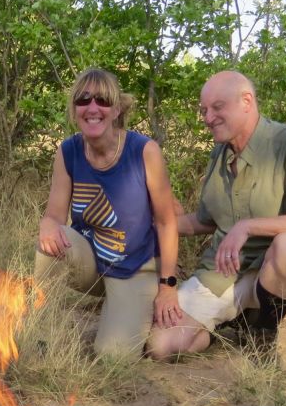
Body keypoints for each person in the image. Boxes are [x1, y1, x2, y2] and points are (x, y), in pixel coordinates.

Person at [146, 71, 286, 358]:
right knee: (161, 346)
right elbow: (206, 221)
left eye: (217, 107)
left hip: (279, 273)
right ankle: (227, 323)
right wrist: (155, 224)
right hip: (225, 272)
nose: (208, 118)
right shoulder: (219, 153)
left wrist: (247, 227)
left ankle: (263, 331)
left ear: (246, 101)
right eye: (204, 110)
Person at [34, 67, 180, 359]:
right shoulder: (68, 151)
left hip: (135, 268)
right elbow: (54, 216)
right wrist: (47, 225)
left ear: (116, 110)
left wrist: (168, 286)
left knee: (113, 358)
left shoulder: (144, 151)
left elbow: (166, 222)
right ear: (74, 110)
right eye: (83, 100)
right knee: (50, 242)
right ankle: (39, 333)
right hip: (91, 261)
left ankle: (127, 310)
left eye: (102, 100)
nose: (92, 108)